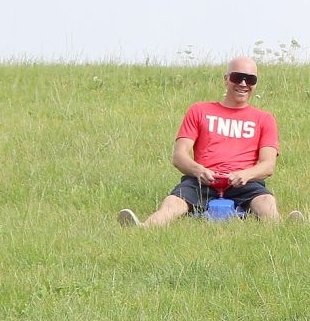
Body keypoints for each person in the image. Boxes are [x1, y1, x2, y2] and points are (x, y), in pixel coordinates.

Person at [118, 56, 300, 227]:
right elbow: (179, 156)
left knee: (266, 201)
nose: (243, 84)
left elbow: (268, 165)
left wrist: (245, 175)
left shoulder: (265, 119)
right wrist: (199, 171)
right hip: (202, 180)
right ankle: (144, 227)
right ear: (226, 79)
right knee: (173, 202)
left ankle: (282, 228)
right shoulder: (199, 110)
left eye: (250, 79)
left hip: (245, 182)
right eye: (238, 77)